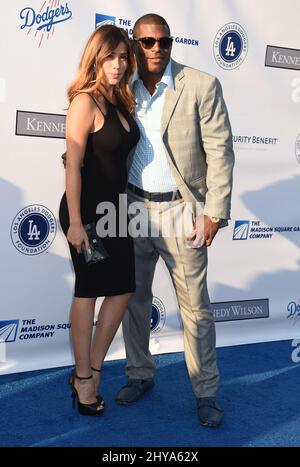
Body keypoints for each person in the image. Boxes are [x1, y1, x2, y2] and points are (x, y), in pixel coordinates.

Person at [115, 14, 234, 428]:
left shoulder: (201, 85)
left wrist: (214, 212)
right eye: (146, 42)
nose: (156, 49)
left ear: (171, 43)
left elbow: (220, 151)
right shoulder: (121, 86)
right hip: (130, 208)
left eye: (163, 41)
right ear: (134, 44)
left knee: (195, 309)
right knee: (133, 300)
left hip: (182, 211)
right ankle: (139, 374)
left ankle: (206, 391)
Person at [59, 25, 140, 416]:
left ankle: (88, 369)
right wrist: (75, 222)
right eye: (111, 57)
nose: (119, 64)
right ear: (96, 57)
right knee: (89, 290)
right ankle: (85, 379)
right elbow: (72, 165)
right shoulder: (84, 102)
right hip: (87, 213)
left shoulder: (121, 101)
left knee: (123, 289)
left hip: (118, 212)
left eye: (124, 57)